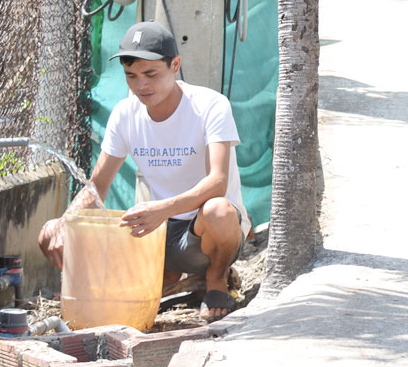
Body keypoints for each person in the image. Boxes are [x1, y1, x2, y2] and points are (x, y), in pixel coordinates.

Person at [38, 22, 250, 320]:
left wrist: (162, 209)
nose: (141, 86)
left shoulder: (210, 105)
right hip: (157, 233)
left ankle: (217, 280)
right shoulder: (125, 115)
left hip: (206, 230)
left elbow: (217, 181)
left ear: (175, 65)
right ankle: (143, 282)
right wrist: (65, 224)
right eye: (131, 77)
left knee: (218, 210)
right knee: (49, 231)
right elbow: (97, 186)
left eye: (151, 74)